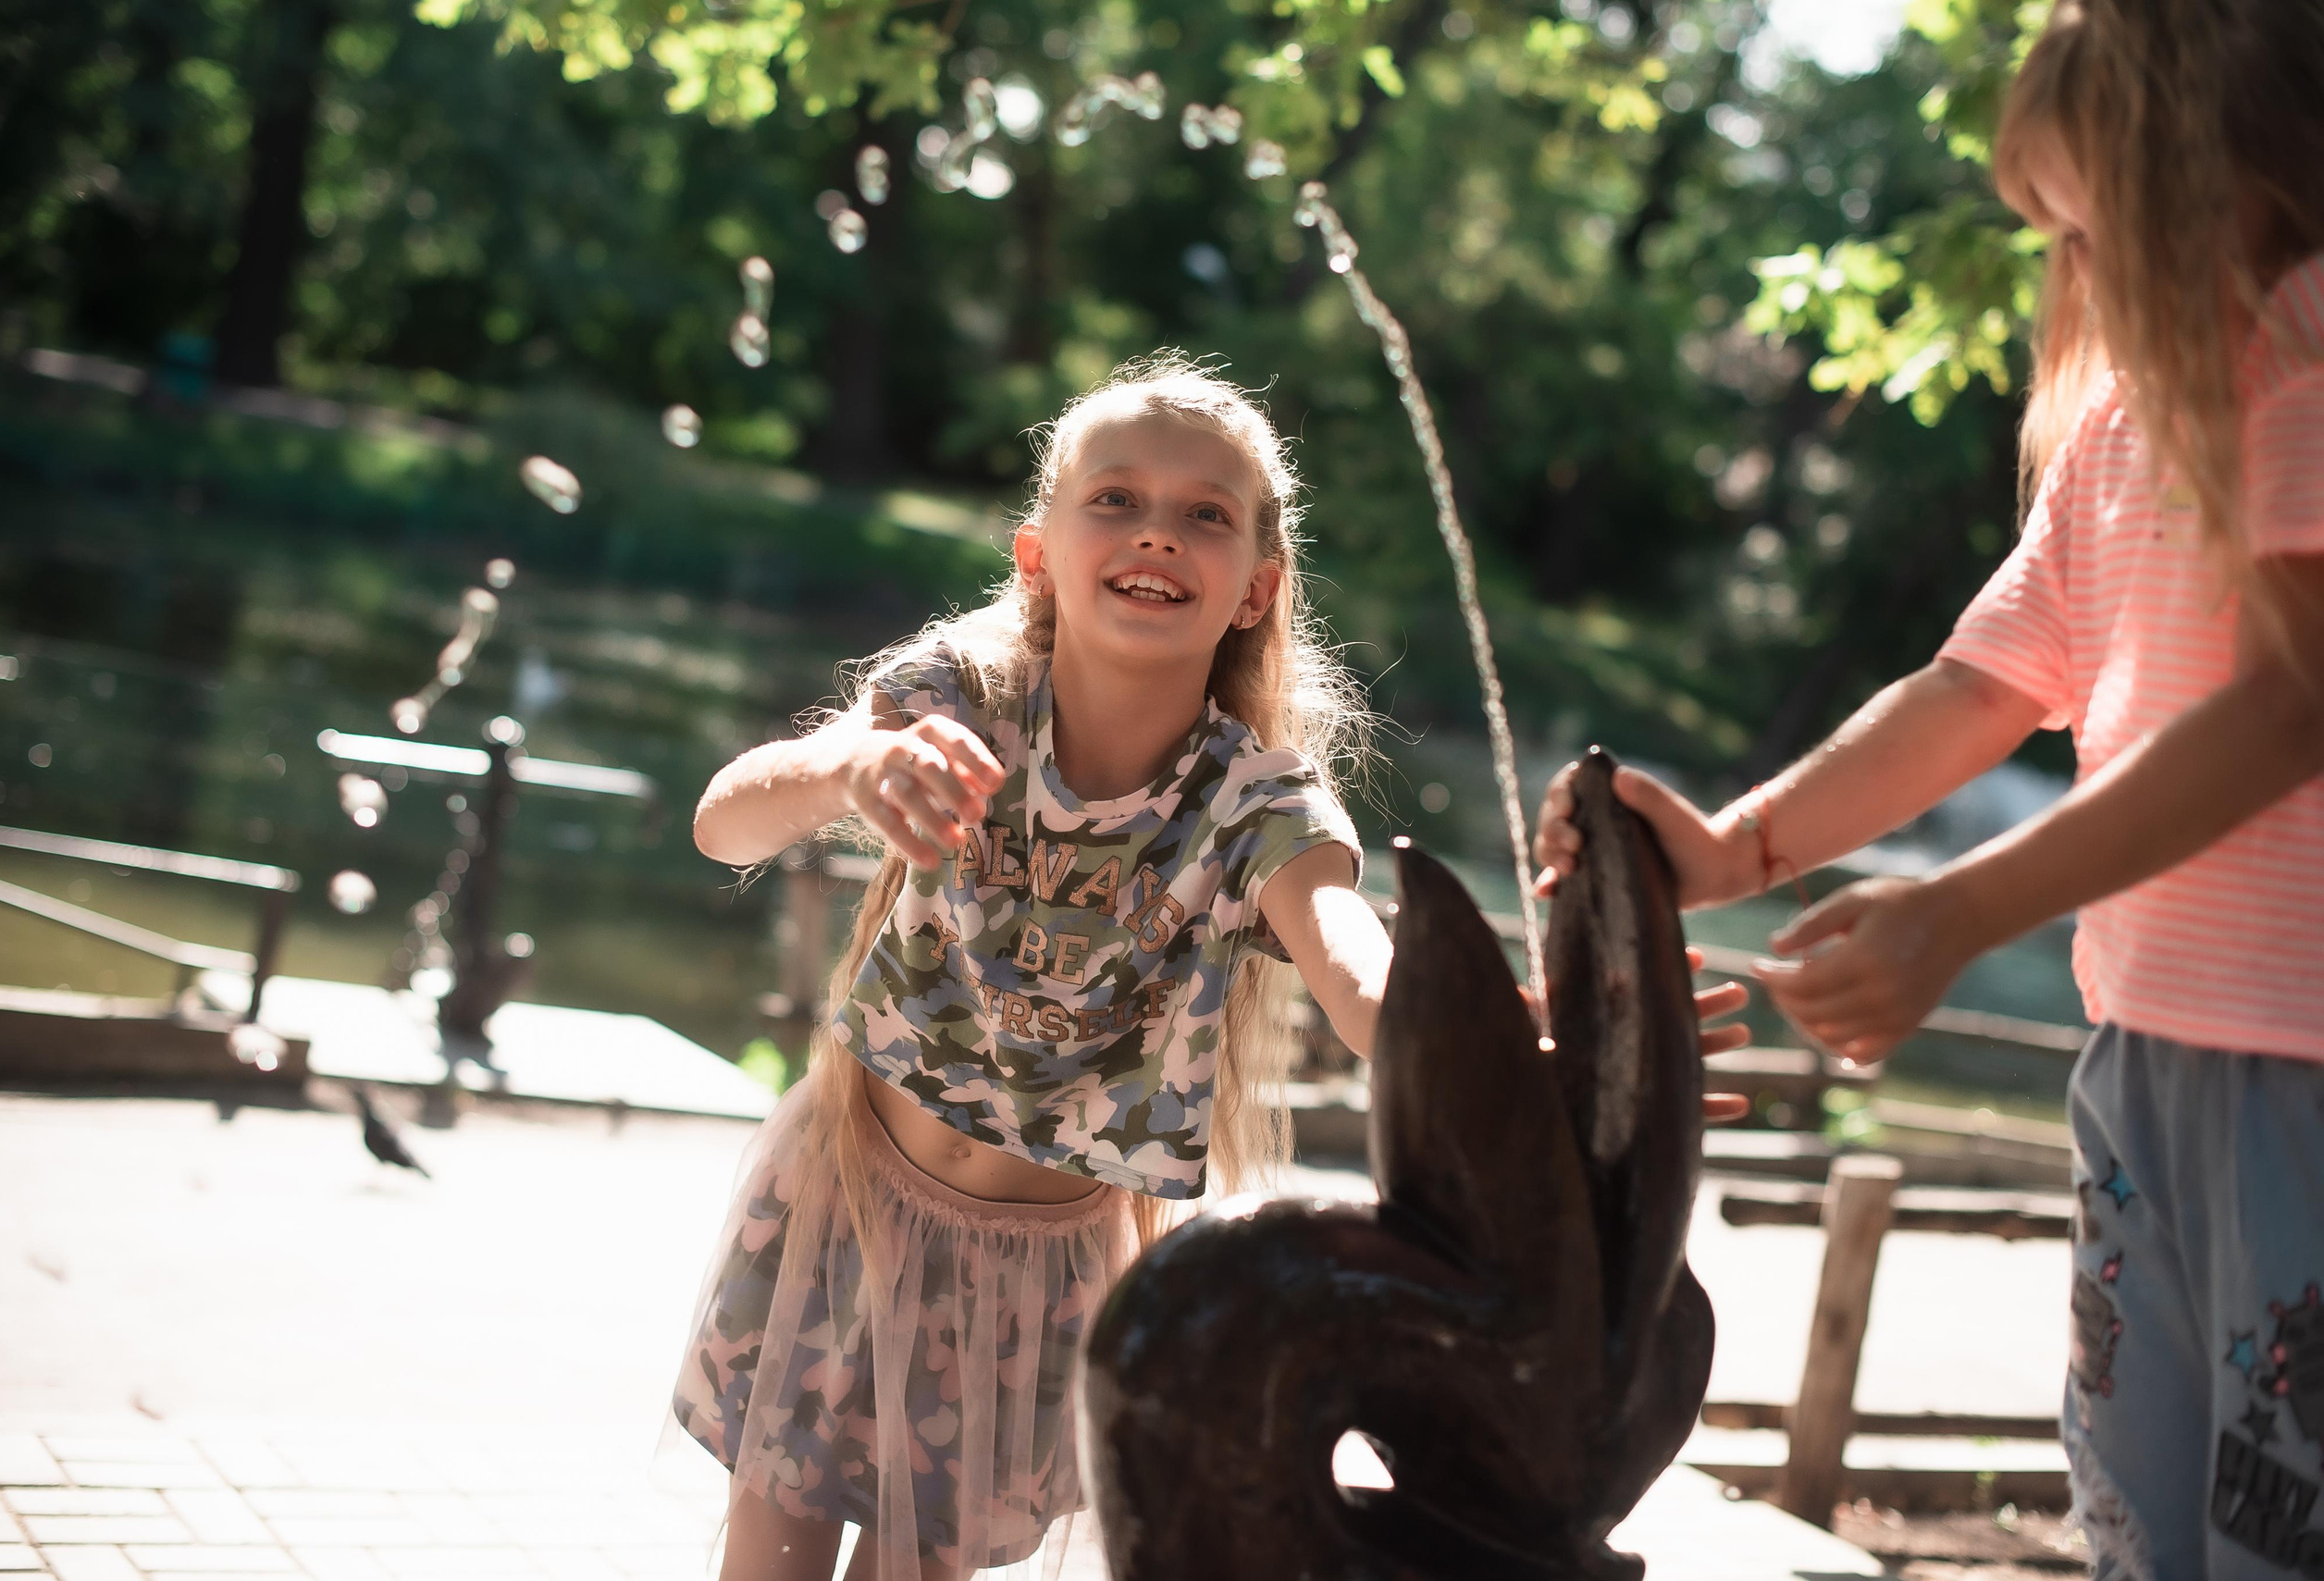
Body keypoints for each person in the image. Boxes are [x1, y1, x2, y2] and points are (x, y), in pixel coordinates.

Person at [679, 354, 1749, 1581]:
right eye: (1117, 499)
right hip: (848, 1195)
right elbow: (725, 821)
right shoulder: (960, 703)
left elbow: (1353, 965)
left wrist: (1488, 1046)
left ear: (1256, 588)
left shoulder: (1258, 801)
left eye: (1206, 515)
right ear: (1039, 555)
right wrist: (849, 770)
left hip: (1030, 1280)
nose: (1158, 534)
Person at [1539, 3, 2324, 1575]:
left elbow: (2292, 703)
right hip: (2143, 1055)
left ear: (2237, 173)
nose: (2075, 277)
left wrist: (1962, 910)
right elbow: (1980, 686)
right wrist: (1742, 845)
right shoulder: (2123, 427)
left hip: (2300, 1076)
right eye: (2054, 236)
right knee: (2143, 1517)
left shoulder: (2311, 359)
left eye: (2097, 224)